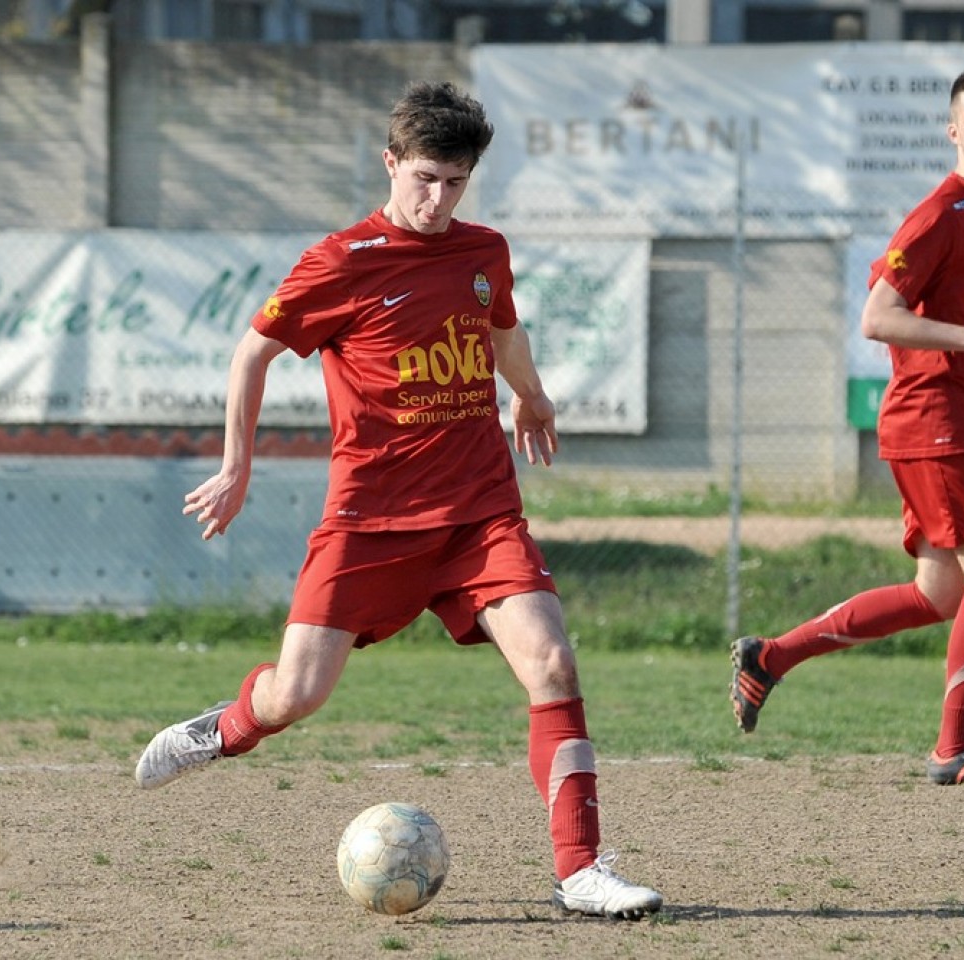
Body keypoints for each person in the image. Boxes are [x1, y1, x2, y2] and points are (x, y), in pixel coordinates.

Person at [134, 81, 662, 920]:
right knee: (296, 696)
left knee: (554, 664)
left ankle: (581, 872)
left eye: (456, 181)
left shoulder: (482, 250)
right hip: (370, 523)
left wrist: (531, 395)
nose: (438, 198)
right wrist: (238, 467)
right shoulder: (342, 262)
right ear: (390, 163)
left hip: (480, 513)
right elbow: (251, 354)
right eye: (424, 178)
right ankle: (222, 728)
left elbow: (501, 327)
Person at [729, 66, 964, 785]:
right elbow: (879, 317)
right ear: (953, 130)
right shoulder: (942, 211)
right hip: (935, 420)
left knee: (939, 593)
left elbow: (962, 309)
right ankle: (954, 748)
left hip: (956, 418)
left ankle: (770, 657)